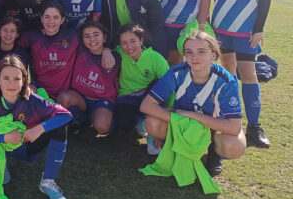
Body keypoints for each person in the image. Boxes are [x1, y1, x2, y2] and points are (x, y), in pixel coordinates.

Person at [141, 32, 246, 176]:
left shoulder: (226, 80)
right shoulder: (177, 72)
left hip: (213, 125)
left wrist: (192, 116)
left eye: (201, 51)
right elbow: (146, 106)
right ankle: (174, 147)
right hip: (184, 123)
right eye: (189, 52)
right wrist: (184, 121)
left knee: (234, 146)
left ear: (213, 55)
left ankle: (213, 153)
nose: (194, 57)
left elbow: (234, 127)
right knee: (152, 123)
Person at [0, 56, 72, 199]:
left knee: (59, 126)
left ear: (24, 81)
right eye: (6, 78)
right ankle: (1, 164)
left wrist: (40, 128)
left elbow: (66, 114)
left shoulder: (33, 100)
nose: (11, 84)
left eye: (17, 78)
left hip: (26, 144)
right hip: (2, 146)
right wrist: (5, 138)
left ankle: (47, 182)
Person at [211, 0, 274, 148]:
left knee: (249, 74)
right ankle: (229, 118)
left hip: (246, 30)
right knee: (228, 75)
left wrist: (259, 29)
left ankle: (255, 127)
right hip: (222, 28)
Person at [115, 24, 169, 153]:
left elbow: (169, 85)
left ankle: (154, 132)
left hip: (148, 97)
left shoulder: (155, 58)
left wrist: (166, 115)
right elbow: (106, 50)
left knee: (159, 84)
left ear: (141, 40)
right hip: (127, 97)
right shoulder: (118, 52)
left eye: (133, 41)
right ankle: (140, 125)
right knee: (123, 122)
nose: (129, 47)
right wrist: (106, 52)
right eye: (124, 43)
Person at [59, 20, 120, 135]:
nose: (92, 39)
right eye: (87, 36)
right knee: (63, 98)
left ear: (105, 38)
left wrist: (107, 50)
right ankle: (82, 120)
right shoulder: (80, 51)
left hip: (102, 100)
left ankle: (110, 122)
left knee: (102, 126)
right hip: (81, 98)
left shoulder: (115, 57)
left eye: (96, 35)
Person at [19, 2, 80, 99]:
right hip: (40, 90)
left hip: (64, 94)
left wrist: (106, 50)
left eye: (56, 17)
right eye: (47, 17)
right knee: (26, 95)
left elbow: (94, 43)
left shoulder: (73, 36)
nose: (51, 21)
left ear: (62, 20)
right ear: (41, 19)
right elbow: (10, 43)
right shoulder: (33, 37)